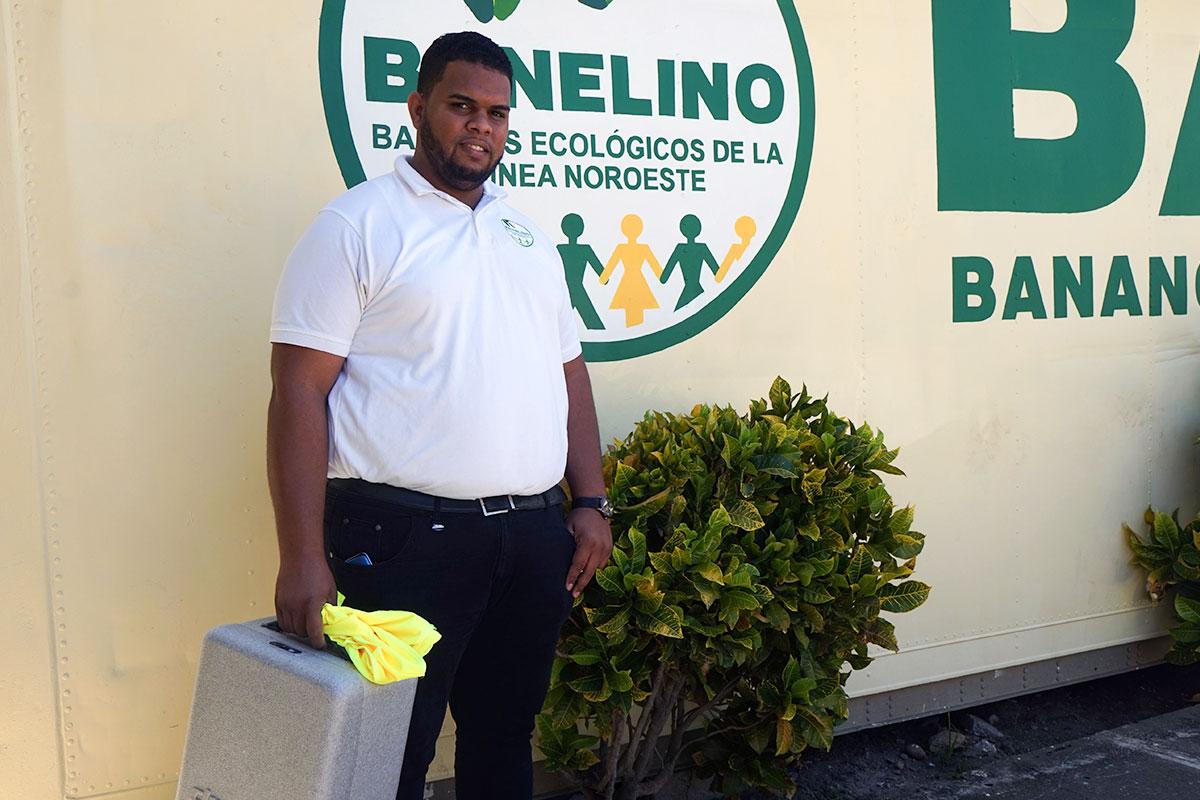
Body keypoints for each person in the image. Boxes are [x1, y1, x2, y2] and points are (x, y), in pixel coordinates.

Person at [265, 31, 613, 800]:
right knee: (390, 754)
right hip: (400, 539)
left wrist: (590, 501)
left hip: (530, 537)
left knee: (504, 738)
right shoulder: (357, 226)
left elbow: (568, 372)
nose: (481, 126)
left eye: (497, 113)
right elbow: (296, 392)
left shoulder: (527, 236)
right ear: (419, 108)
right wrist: (301, 556)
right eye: (462, 106)